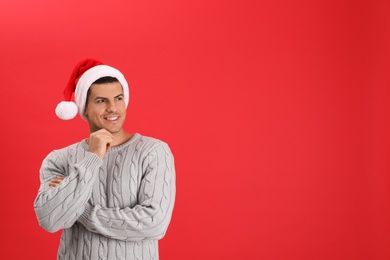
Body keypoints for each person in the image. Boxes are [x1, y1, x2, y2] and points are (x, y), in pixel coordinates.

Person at [33, 59, 176, 260]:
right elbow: (49, 219)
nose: (113, 108)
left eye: (118, 98)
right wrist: (93, 157)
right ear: (84, 108)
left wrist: (79, 209)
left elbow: (154, 223)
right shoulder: (59, 159)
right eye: (101, 101)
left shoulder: (153, 152)